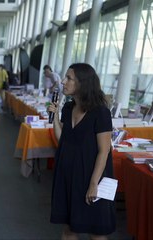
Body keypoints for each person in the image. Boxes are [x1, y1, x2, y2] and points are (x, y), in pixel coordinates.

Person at [47, 63, 116, 240]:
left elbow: (104, 150)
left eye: (68, 78)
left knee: (96, 231)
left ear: (83, 83)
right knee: (70, 228)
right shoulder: (68, 108)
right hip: (68, 174)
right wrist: (55, 118)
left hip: (91, 176)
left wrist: (94, 184)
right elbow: (63, 138)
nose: (63, 81)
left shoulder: (100, 112)